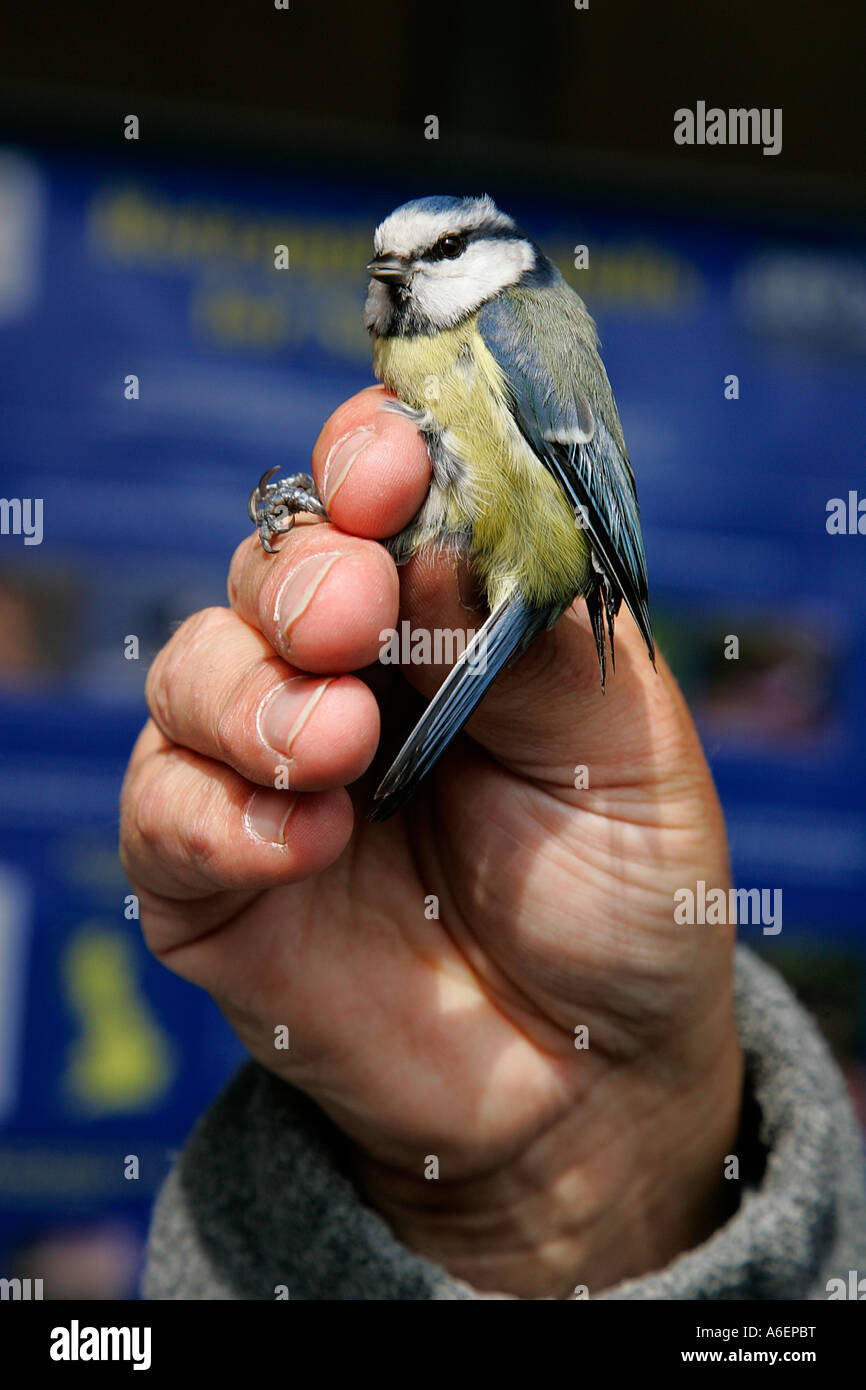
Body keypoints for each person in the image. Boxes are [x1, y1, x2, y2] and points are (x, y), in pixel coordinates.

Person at [121, 386, 866, 1300]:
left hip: (528, 570)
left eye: (433, 256)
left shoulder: (517, 333)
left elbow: (554, 513)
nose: (395, 282)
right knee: (358, 587)